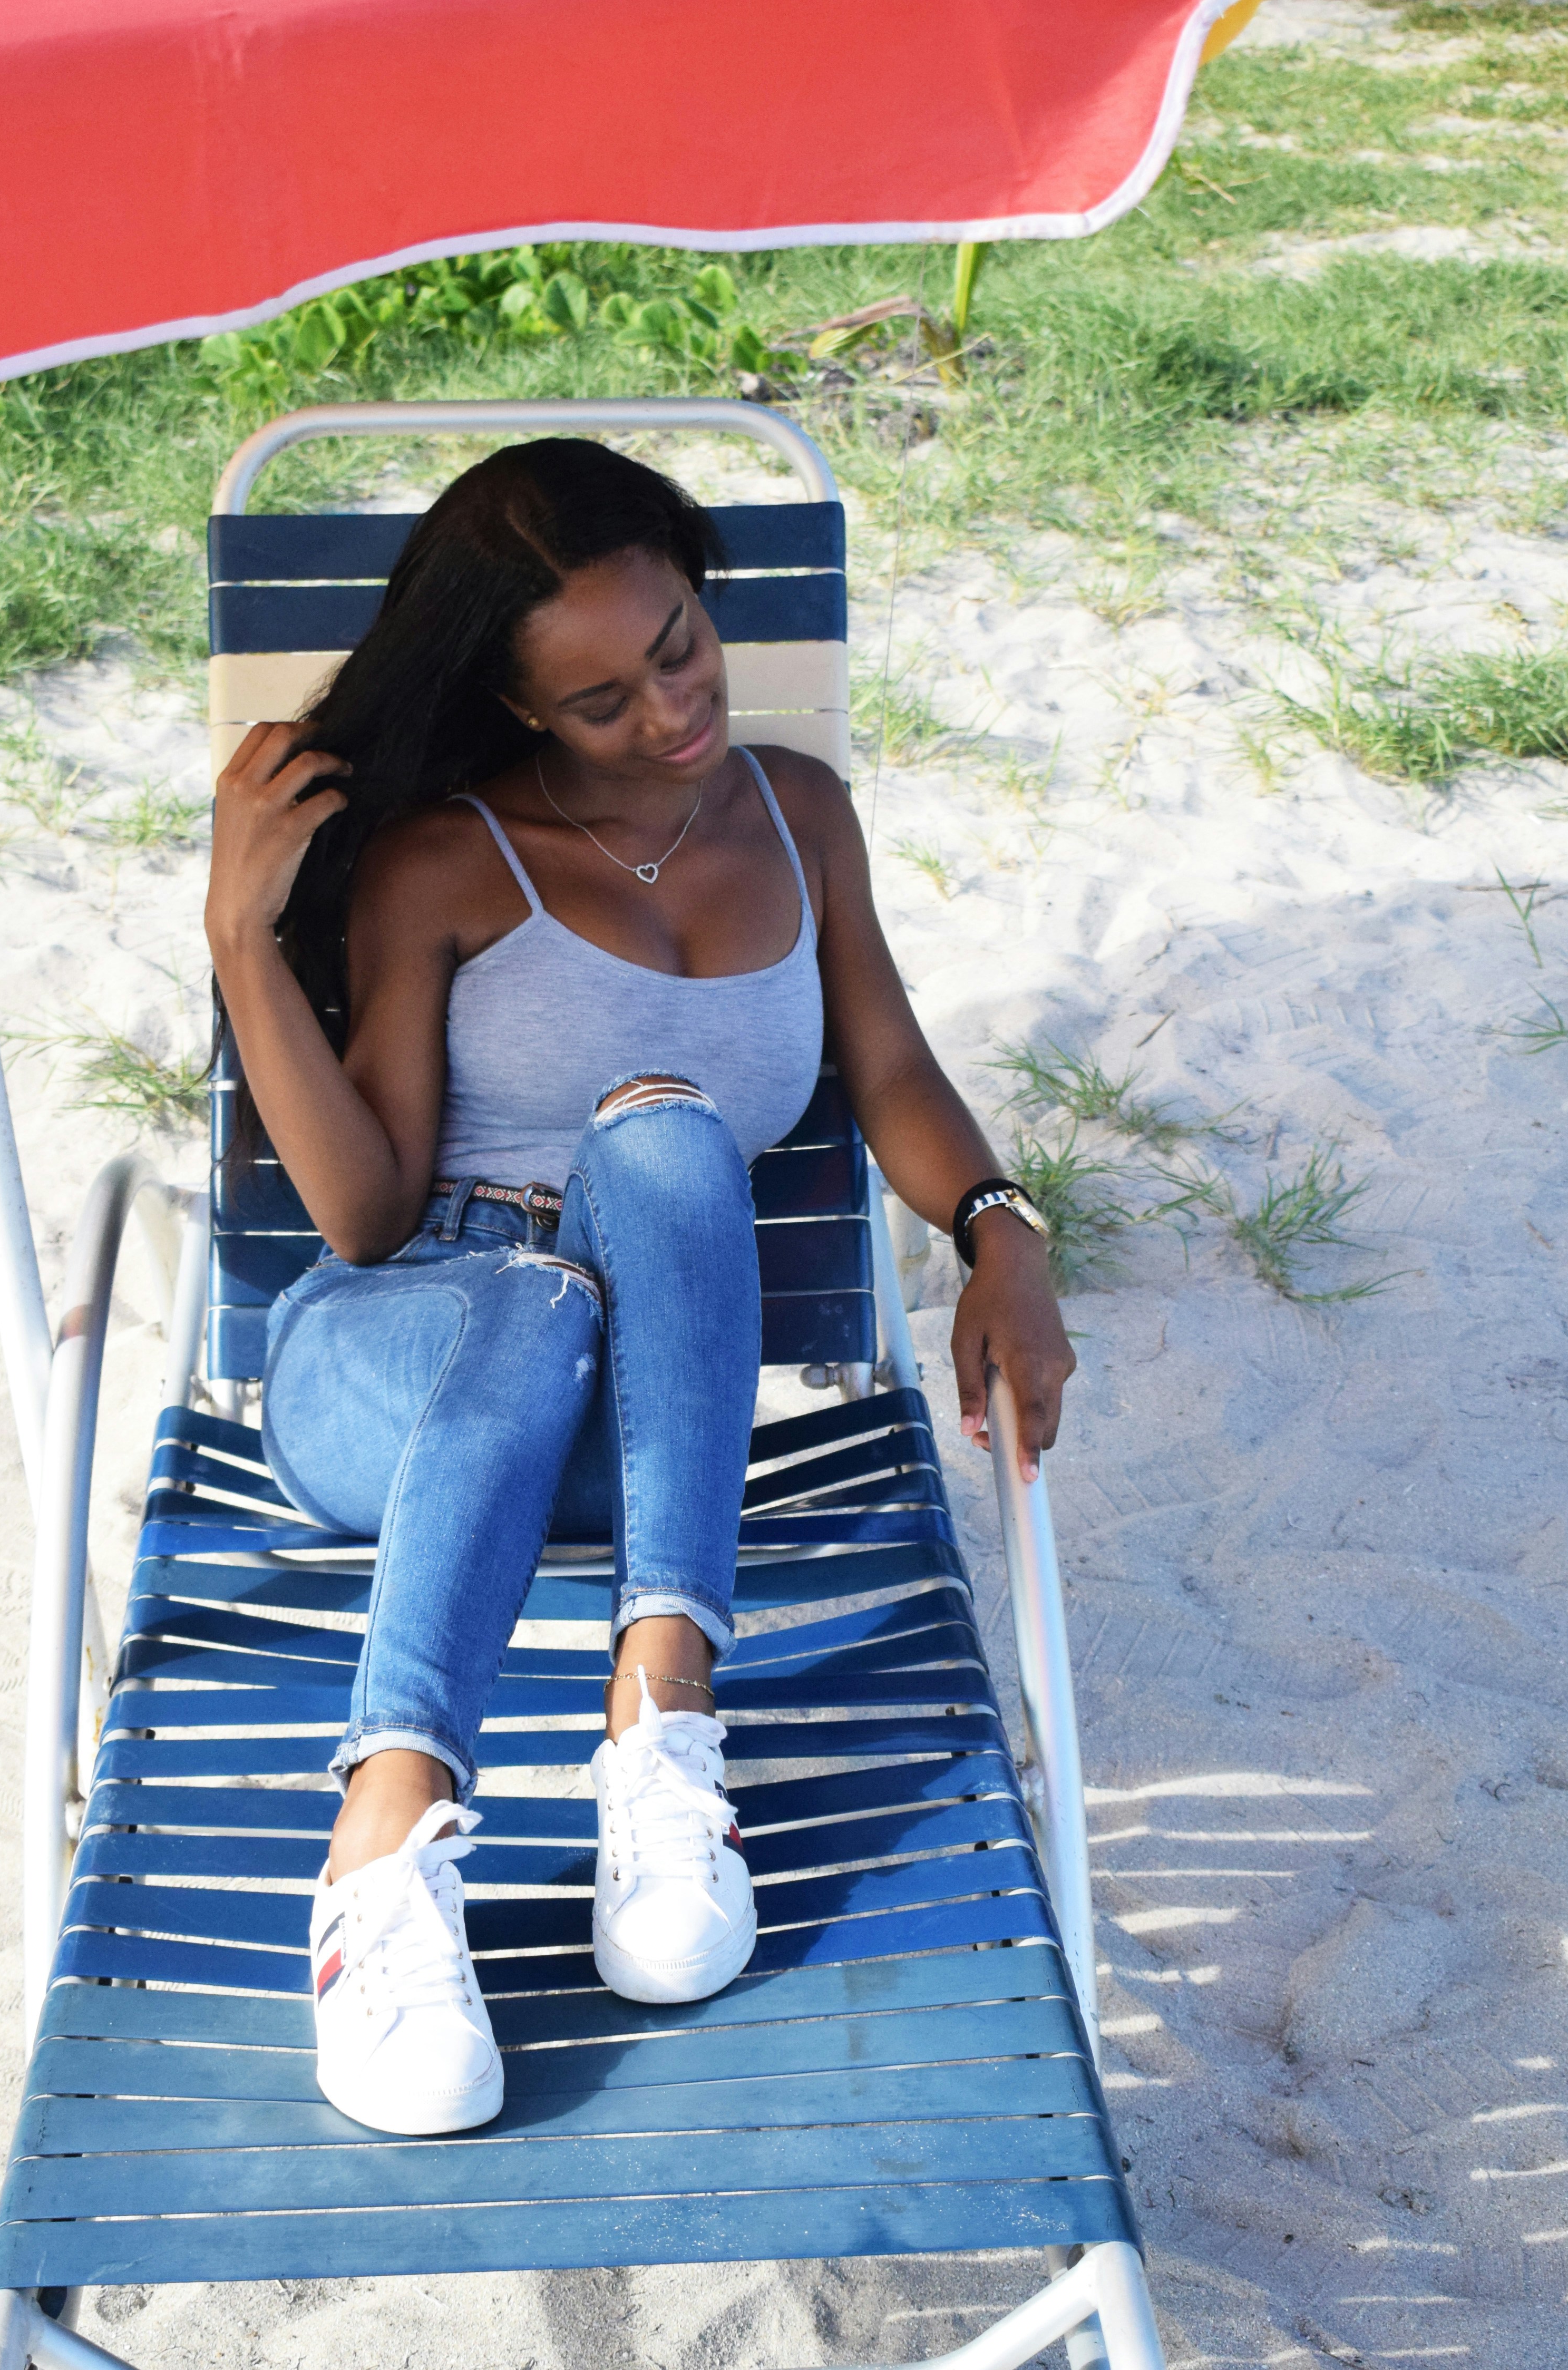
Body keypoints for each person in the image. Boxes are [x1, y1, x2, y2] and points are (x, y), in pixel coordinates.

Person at [204, 437, 1073, 2140]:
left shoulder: (798, 812)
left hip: (654, 1416)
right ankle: (379, 1856)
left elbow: (884, 1060)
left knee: (674, 1147)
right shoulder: (442, 860)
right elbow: (369, 1217)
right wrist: (245, 938)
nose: (670, 710)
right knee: (537, 1302)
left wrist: (998, 1225)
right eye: (600, 700)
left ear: (697, 588)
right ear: (522, 710)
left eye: (677, 645)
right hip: (406, 1359)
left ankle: (660, 1744)